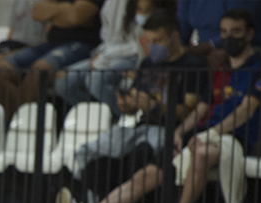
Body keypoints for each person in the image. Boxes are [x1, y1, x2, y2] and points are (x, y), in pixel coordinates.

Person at [58, 9, 261, 203]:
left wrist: (209, 133)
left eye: (236, 32)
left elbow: (245, 111)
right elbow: (202, 108)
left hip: (233, 137)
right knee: (147, 174)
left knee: (201, 152)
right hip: (200, 134)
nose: (228, 37)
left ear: (250, 34)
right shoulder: (220, 69)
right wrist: (179, 133)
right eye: (223, 32)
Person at [69, 10, 208, 183]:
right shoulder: (147, 63)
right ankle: (87, 201)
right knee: (91, 153)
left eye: (158, 41)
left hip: (169, 131)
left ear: (174, 36)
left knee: (139, 153)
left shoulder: (192, 67)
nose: (152, 46)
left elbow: (190, 111)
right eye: (149, 41)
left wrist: (155, 107)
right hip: (140, 126)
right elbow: (133, 106)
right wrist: (127, 104)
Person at [0, 0, 102, 121]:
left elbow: (75, 17)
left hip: (81, 45)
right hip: (49, 44)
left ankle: (26, 126)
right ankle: (15, 125)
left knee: (40, 70)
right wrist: (67, 11)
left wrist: (55, 14)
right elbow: (37, 12)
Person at [55, 0, 173, 116]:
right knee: (63, 79)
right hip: (107, 53)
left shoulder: (149, 19)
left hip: (131, 58)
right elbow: (107, 37)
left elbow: (139, 47)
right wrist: (101, 54)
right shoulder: (110, 3)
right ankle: (97, 118)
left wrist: (104, 57)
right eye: (139, 9)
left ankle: (123, 118)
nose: (142, 12)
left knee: (95, 79)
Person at [178, 0, 261, 68]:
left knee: (220, 56)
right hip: (208, 52)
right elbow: (181, 32)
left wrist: (208, 46)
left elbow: (237, 27)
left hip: (255, 49)